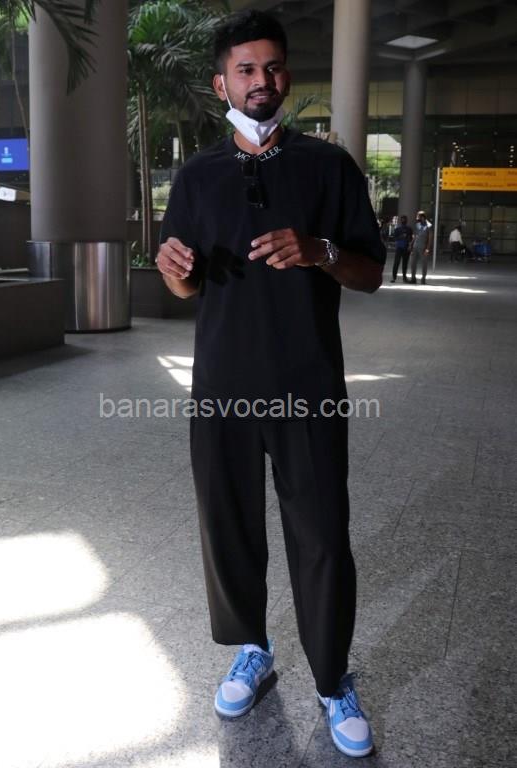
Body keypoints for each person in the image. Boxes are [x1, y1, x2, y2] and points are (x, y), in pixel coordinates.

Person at [155, 10, 385, 759]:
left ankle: (331, 677)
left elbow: (370, 273)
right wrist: (173, 273)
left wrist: (319, 250)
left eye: (274, 67)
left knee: (321, 532)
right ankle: (252, 648)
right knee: (227, 525)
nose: (262, 81)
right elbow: (185, 286)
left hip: (307, 381)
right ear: (221, 83)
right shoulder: (196, 177)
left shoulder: (328, 168)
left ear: (288, 75)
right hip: (222, 383)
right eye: (246, 70)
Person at [409, 210, 433, 284]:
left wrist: (427, 249)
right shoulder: (417, 225)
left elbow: (430, 238)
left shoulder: (429, 226)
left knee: (424, 263)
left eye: (418, 216)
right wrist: (411, 245)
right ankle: (413, 278)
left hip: (423, 247)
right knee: (413, 263)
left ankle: (423, 278)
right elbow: (414, 236)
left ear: (422, 217)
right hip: (415, 247)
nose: (417, 218)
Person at [391, 214, 413, 282]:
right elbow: (395, 238)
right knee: (396, 263)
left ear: (406, 220)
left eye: (404, 219)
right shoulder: (397, 229)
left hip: (406, 248)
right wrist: (401, 236)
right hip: (399, 247)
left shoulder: (409, 229)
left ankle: (404, 277)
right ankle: (394, 277)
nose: (403, 221)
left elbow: (411, 238)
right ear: (401, 221)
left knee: (405, 263)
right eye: (402, 219)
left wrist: (410, 246)